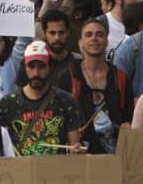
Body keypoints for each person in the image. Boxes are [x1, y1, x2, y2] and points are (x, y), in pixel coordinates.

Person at [55, 17, 132, 154]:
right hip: (80, 159)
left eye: (100, 34)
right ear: (81, 43)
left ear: (107, 41)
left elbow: (127, 118)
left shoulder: (120, 77)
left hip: (114, 159)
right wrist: (70, 135)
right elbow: (58, 120)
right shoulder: (67, 77)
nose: (94, 38)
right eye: (88, 34)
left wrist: (128, 127)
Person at [0, 41, 83, 156]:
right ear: (24, 68)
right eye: (31, 66)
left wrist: (75, 150)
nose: (36, 72)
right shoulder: (8, 103)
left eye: (41, 66)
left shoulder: (66, 101)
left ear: (49, 67)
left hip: (56, 170)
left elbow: (73, 145)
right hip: (20, 171)